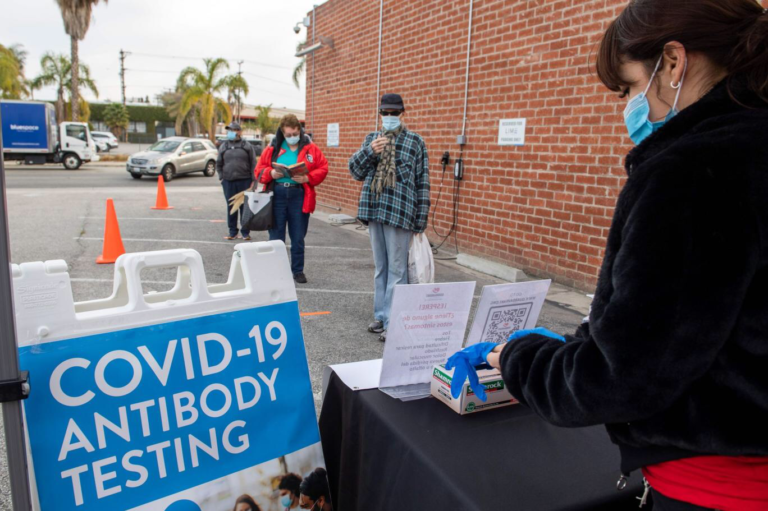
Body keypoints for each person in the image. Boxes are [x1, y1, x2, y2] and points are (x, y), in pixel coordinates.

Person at [449, 1, 768, 510]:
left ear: (671, 63)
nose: (626, 107)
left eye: (626, 88)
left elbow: (627, 375)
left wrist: (518, 357)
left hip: (720, 485)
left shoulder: (691, 172)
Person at [348, 93, 430, 342]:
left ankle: (394, 322)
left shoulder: (415, 141)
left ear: (402, 114)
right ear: (380, 114)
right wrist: (370, 152)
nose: (390, 117)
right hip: (375, 211)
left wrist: (421, 219)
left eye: (395, 113)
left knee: (397, 270)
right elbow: (355, 170)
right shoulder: (372, 139)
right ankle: (381, 316)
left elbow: (422, 181)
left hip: (400, 212)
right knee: (381, 268)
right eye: (386, 113)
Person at [257, 114, 328, 283]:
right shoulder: (273, 148)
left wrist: (308, 178)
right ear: (282, 132)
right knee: (276, 236)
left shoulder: (311, 148)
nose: (292, 137)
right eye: (288, 135)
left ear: (300, 130)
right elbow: (259, 170)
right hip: (277, 195)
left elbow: (323, 167)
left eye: (295, 133)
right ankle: (276, 271)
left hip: (299, 195)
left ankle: (297, 271)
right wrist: (271, 173)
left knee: (298, 236)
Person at [217, 121, 257, 241]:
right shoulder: (224, 146)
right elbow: (219, 163)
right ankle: (232, 231)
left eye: (233, 130)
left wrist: (254, 181)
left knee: (245, 208)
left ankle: (245, 232)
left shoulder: (247, 146)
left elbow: (253, 163)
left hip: (244, 181)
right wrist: (221, 177)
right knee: (231, 207)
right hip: (228, 181)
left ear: (239, 132)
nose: (230, 132)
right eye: (229, 130)